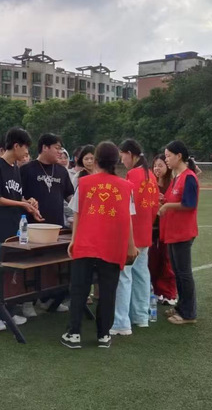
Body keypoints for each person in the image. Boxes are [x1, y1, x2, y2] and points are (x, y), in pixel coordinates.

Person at [62, 141, 136, 349]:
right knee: (108, 291)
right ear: (115, 161)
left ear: (95, 160)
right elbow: (128, 219)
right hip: (112, 246)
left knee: (79, 289)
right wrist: (131, 246)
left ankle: (74, 334)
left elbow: (77, 214)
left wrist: (74, 240)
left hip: (86, 244)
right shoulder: (126, 187)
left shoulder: (84, 183)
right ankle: (103, 335)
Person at [0, 127, 42, 331]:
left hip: (15, 227)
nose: (26, 152)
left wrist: (28, 201)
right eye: (25, 147)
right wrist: (22, 204)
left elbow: (15, 196)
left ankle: (9, 311)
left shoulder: (15, 167)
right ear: (16, 146)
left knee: (11, 272)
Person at [20, 133, 74, 318]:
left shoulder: (61, 171)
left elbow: (70, 196)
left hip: (56, 228)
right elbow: (18, 196)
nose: (60, 152)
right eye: (57, 148)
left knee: (52, 265)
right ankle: (28, 301)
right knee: (30, 265)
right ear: (44, 147)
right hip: (33, 227)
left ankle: (49, 299)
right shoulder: (27, 170)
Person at [111, 139, 159, 336]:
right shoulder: (151, 175)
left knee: (124, 277)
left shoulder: (133, 175)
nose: (122, 160)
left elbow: (126, 208)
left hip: (131, 235)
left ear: (130, 154)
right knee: (141, 274)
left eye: (122, 156)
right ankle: (141, 316)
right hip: (145, 232)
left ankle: (121, 321)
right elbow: (154, 207)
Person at [158, 140, 200, 325]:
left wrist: (167, 206)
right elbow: (172, 198)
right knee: (177, 272)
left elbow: (189, 204)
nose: (166, 159)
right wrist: (163, 199)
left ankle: (189, 314)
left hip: (183, 232)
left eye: (168, 156)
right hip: (173, 232)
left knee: (184, 273)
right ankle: (181, 307)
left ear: (179, 156)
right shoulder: (177, 177)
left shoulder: (189, 177)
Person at [150, 154, 177, 305]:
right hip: (152, 227)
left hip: (167, 228)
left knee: (167, 261)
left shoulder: (172, 184)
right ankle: (156, 290)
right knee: (153, 260)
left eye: (160, 165)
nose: (157, 169)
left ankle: (169, 293)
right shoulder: (150, 184)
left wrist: (163, 202)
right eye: (155, 166)